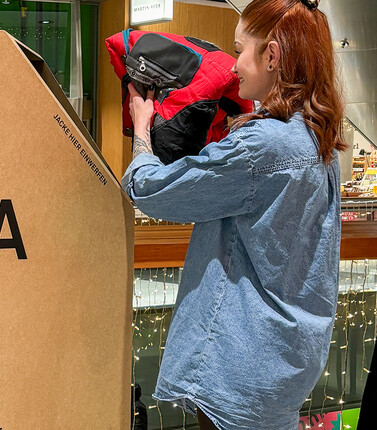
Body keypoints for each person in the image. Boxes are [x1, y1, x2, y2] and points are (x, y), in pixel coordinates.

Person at [121, 0, 345, 429]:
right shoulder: (320, 142)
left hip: (240, 359)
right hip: (287, 362)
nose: (233, 65)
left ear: (272, 55)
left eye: (240, 50)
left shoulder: (262, 146)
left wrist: (143, 130)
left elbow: (152, 191)